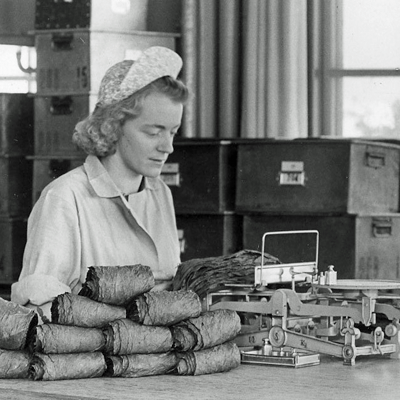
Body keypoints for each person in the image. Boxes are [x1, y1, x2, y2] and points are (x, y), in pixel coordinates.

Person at [11, 46, 189, 320]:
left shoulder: (159, 193)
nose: (168, 147)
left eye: (173, 132)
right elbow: (38, 310)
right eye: (154, 132)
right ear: (113, 125)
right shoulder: (64, 198)